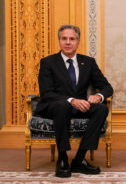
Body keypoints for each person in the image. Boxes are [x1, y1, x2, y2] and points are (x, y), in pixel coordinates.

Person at [36, 24, 114, 178]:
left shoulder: (88, 62)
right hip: (54, 105)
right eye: (64, 38)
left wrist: (98, 97)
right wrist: (71, 100)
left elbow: (106, 87)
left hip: (79, 106)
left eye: (72, 39)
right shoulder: (48, 62)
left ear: (78, 42)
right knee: (62, 106)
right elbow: (46, 93)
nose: (68, 42)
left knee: (102, 109)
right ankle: (63, 157)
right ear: (59, 41)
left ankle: (79, 159)